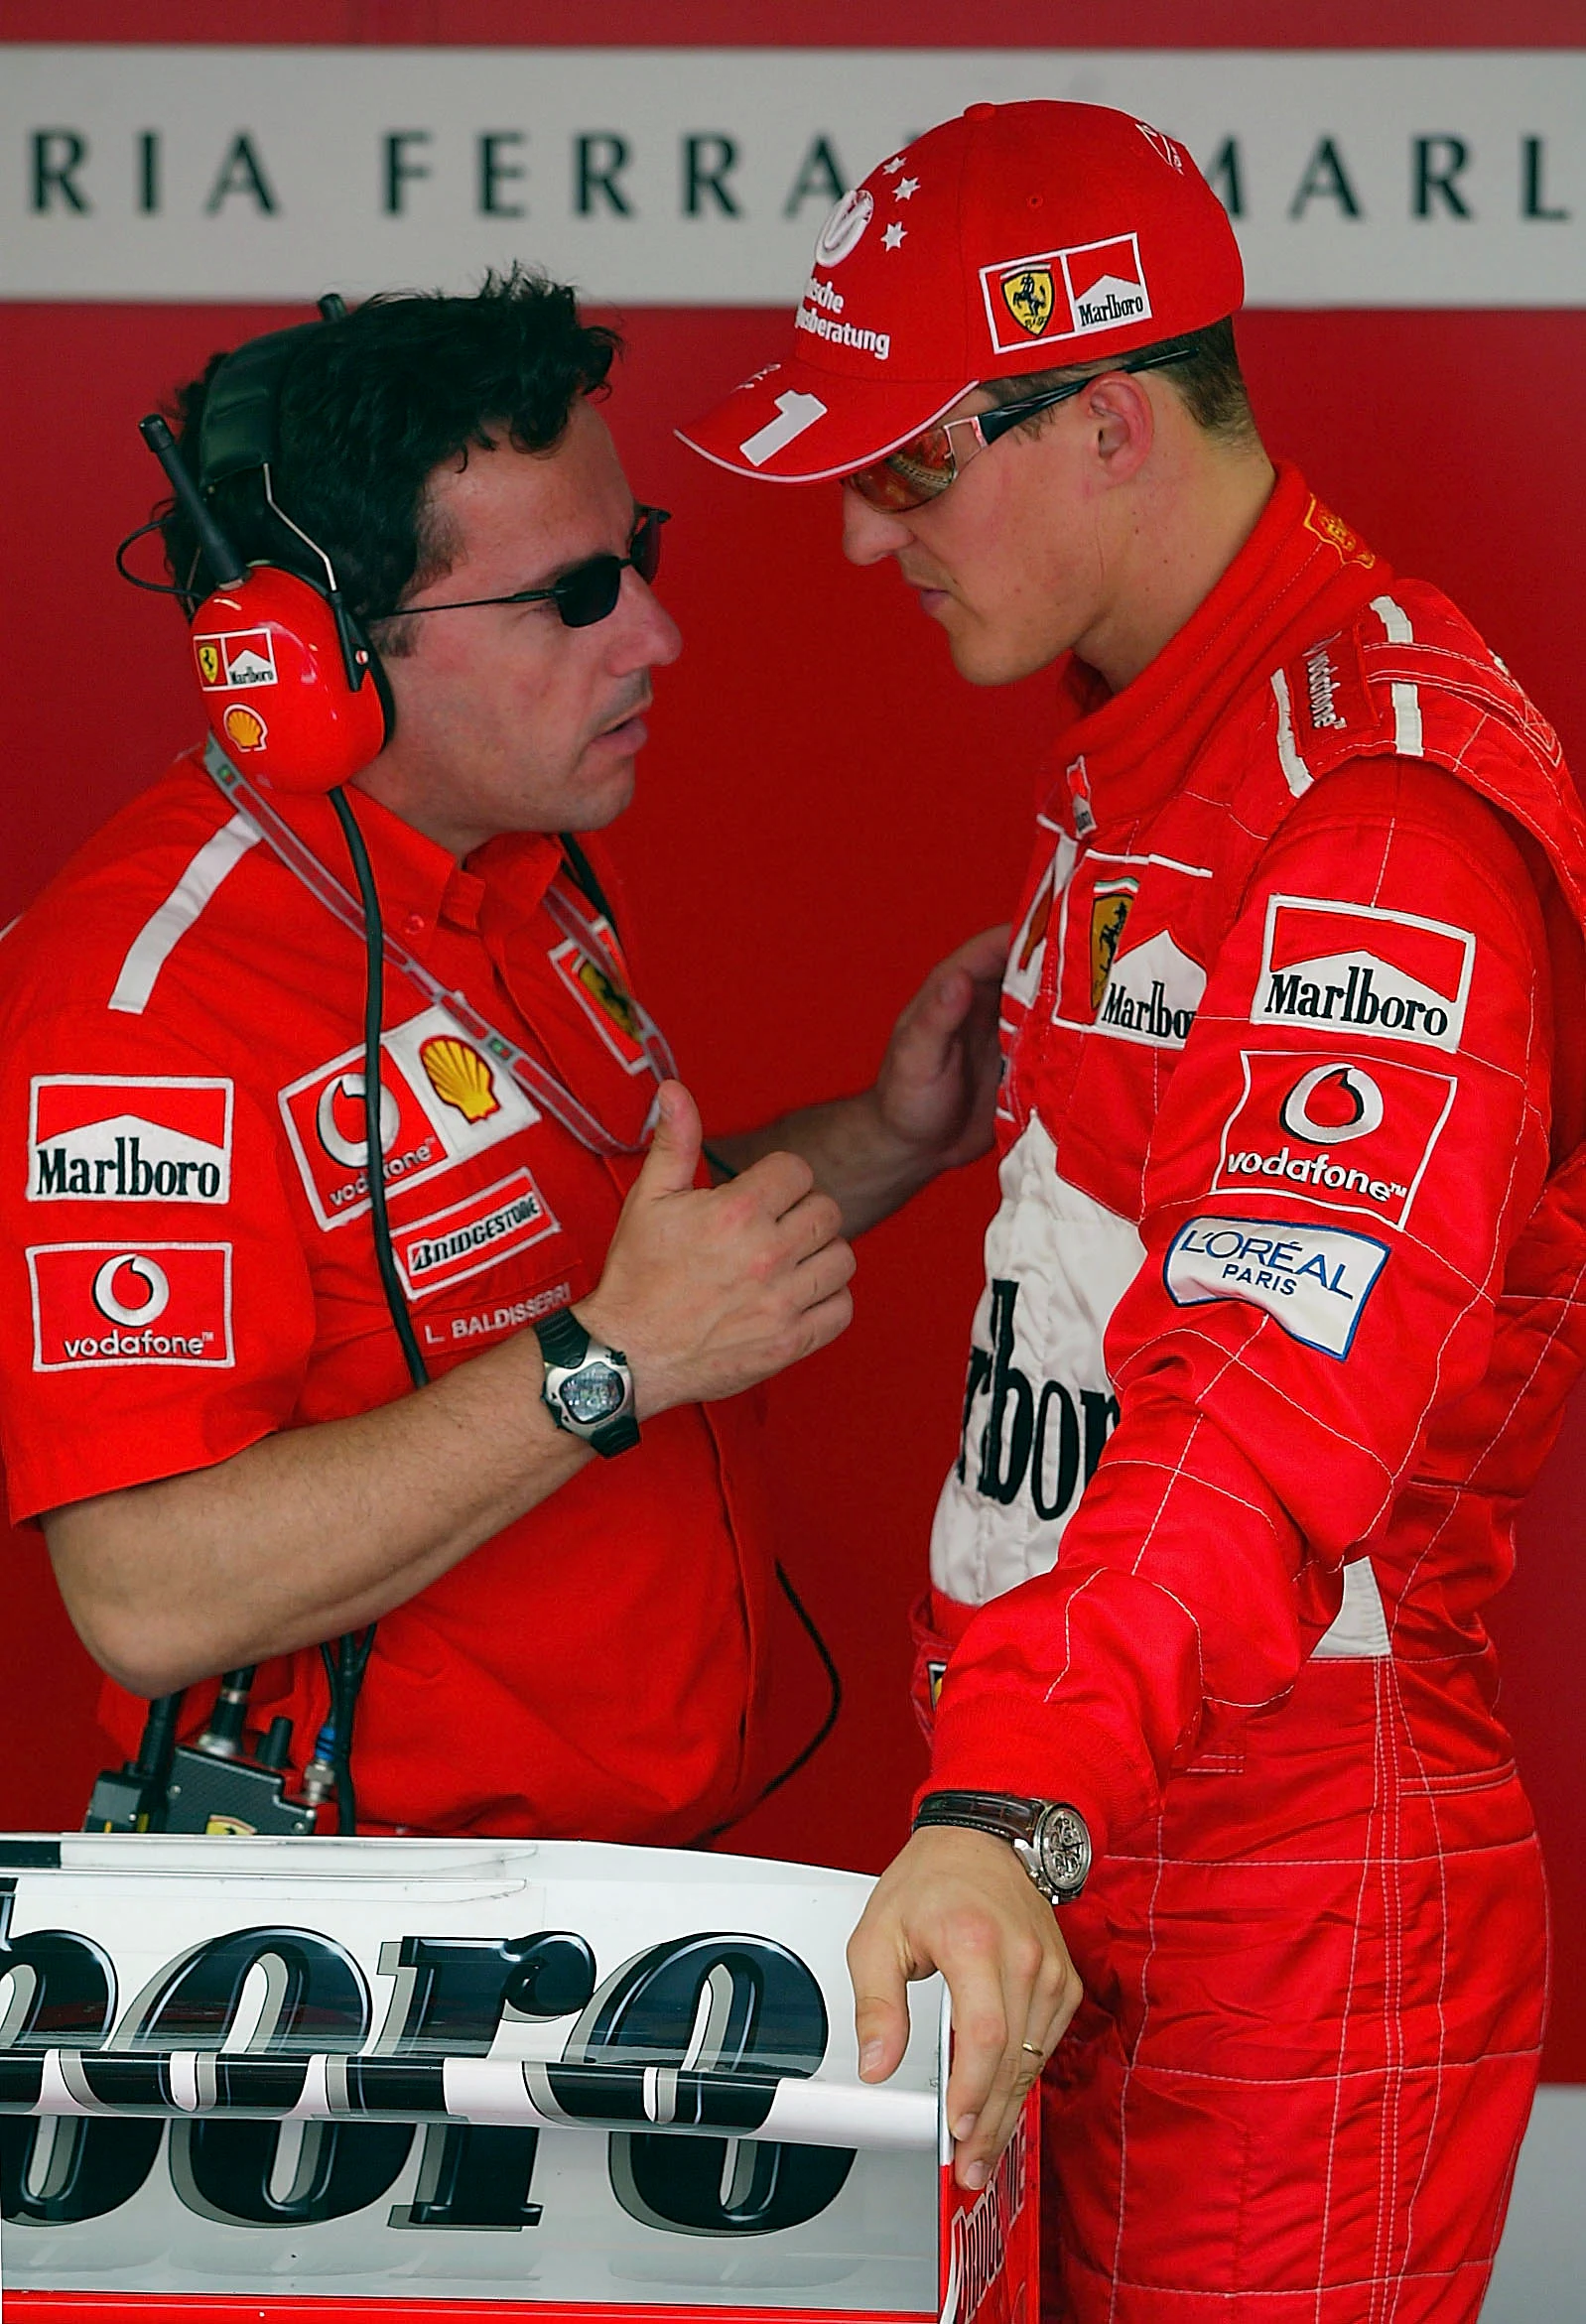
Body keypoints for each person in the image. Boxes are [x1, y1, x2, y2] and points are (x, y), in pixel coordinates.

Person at [680, 100, 1586, 2319]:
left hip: (1273, 1889)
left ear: (1098, 423)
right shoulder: (1157, 728)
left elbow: (1263, 1403)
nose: (864, 545)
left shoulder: (1375, 816)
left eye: (902, 473)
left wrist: (1003, 1804)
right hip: (1097, 1832)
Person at [0, 271, 1005, 1846]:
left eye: (640, 557)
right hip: (355, 1979)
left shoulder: (518, 881)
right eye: (576, 593)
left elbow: (643, 1272)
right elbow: (142, 1584)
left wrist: (893, 1131)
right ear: (310, 646)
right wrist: (608, 1366)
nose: (660, 633)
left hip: (608, 1910)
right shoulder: (140, 1010)